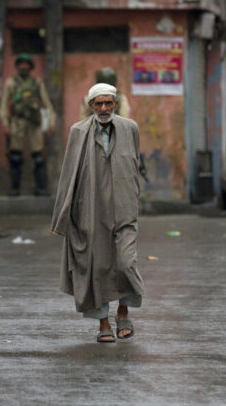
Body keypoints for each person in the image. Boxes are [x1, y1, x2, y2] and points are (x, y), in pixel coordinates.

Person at [51, 83, 146, 343]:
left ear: (115, 103)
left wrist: (134, 198)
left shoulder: (130, 128)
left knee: (126, 263)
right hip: (91, 212)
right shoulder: (78, 132)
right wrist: (63, 215)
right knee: (97, 267)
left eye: (108, 103)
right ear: (90, 106)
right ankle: (104, 323)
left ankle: (123, 313)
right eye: (98, 104)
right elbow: (68, 175)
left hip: (124, 209)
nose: (104, 108)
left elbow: (134, 166)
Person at [0, 53, 57, 196]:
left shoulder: (37, 83)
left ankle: (40, 189)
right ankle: (14, 189)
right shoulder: (11, 83)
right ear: (17, 66)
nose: (23, 66)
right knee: (15, 157)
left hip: (34, 123)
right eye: (21, 64)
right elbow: (3, 105)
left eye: (26, 64)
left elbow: (48, 104)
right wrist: (6, 124)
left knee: (38, 158)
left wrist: (51, 121)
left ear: (30, 67)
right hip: (17, 122)